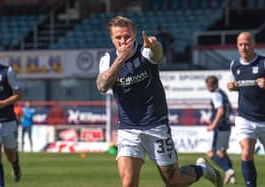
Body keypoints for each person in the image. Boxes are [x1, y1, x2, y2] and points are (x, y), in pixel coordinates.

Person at [96, 16, 223, 187]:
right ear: (112, 39)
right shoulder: (107, 60)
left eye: (127, 36)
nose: (123, 41)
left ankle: (202, 169)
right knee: (128, 183)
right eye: (118, 37)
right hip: (128, 129)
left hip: (155, 126)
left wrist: (156, 46)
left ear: (134, 35)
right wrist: (121, 59)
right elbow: (102, 86)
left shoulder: (144, 51)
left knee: (173, 181)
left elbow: (157, 54)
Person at [227, 31, 265, 187]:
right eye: (241, 44)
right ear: (237, 46)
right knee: (246, 152)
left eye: (247, 44)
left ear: (254, 45)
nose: (244, 47)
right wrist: (233, 87)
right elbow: (240, 86)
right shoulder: (234, 65)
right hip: (244, 118)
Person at [0, 41, 22, 187]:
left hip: (7, 119)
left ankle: (15, 165)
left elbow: (19, 94)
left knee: (10, 154)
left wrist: (2, 103)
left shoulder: (7, 71)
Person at [205, 75, 236, 184]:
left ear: (213, 85)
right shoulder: (223, 94)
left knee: (210, 153)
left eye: (209, 86)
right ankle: (232, 177)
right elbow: (230, 108)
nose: (208, 88)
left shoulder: (216, 94)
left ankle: (228, 170)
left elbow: (220, 111)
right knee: (223, 153)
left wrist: (213, 125)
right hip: (227, 125)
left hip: (219, 127)